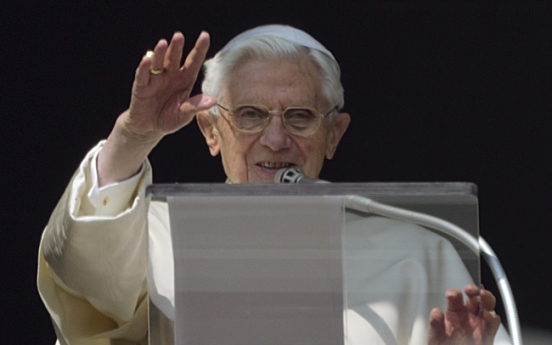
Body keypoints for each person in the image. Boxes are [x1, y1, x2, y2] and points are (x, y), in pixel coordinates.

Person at [38, 25, 509, 345]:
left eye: (300, 117)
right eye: (249, 115)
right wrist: (133, 137)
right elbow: (81, 277)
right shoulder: (151, 235)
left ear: (334, 134)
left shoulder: (415, 253)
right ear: (209, 132)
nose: (276, 138)